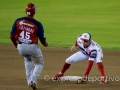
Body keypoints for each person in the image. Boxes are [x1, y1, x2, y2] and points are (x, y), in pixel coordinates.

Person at [10, 3, 48, 90]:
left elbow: (11, 36)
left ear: (26, 11)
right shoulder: (37, 24)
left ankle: (30, 82)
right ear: (34, 12)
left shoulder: (18, 21)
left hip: (21, 47)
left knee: (28, 61)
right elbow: (42, 40)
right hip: (32, 47)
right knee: (39, 63)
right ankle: (32, 81)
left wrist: (16, 45)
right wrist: (46, 44)